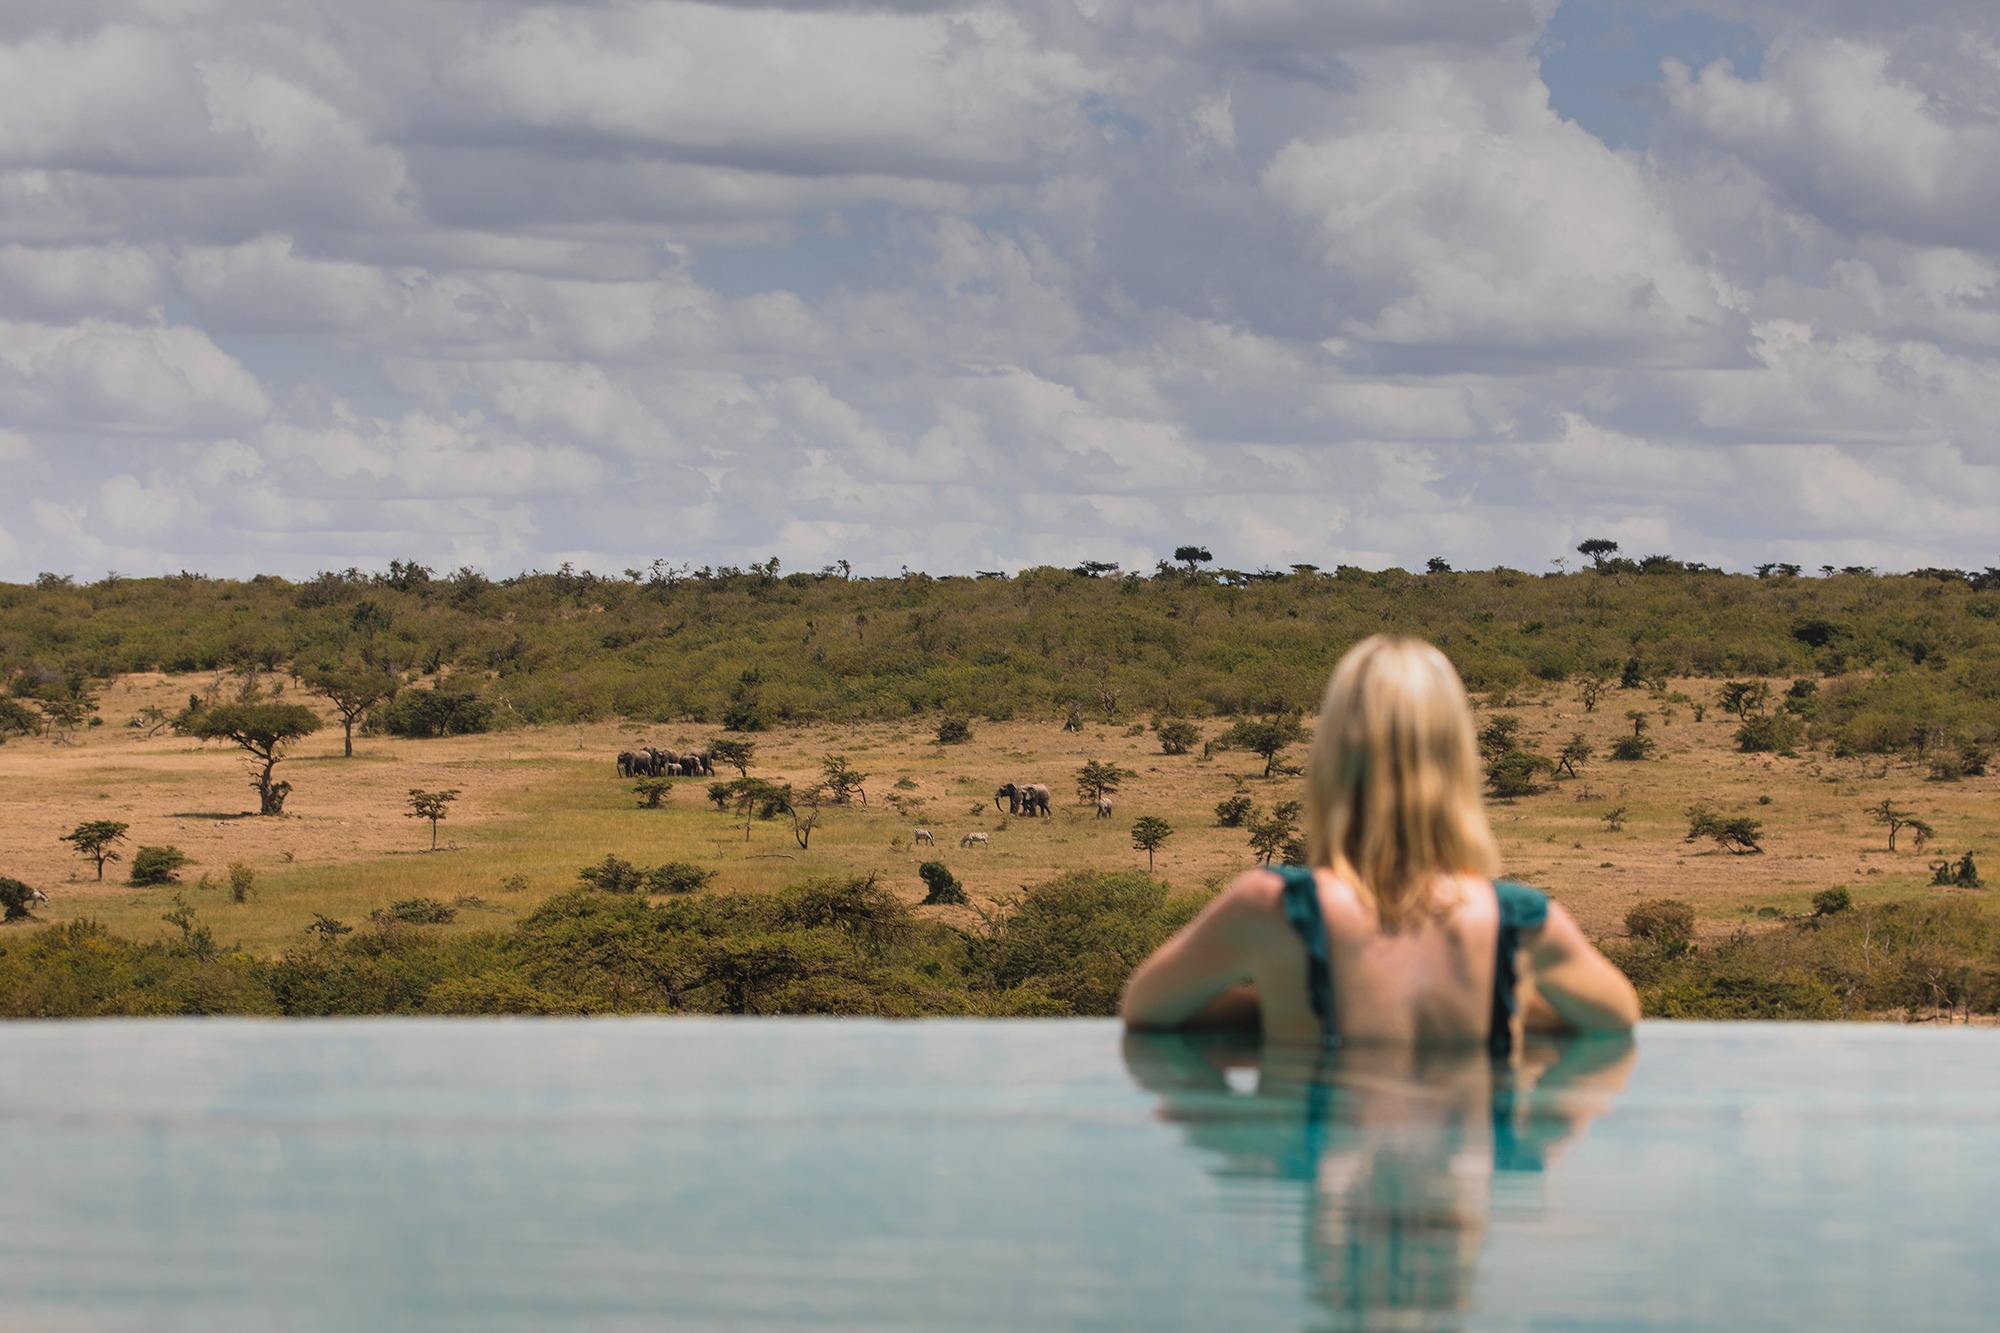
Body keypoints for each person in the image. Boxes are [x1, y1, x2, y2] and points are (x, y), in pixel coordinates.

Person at [1120, 635, 1640, 1048]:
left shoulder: (1273, 907)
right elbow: (1617, 1019)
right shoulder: (1523, 922)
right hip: (1460, 1178)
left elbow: (1145, 1008)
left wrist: (1283, 1006)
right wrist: (1507, 1004)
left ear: (1329, 760)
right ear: (1460, 764)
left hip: (1319, 1174)